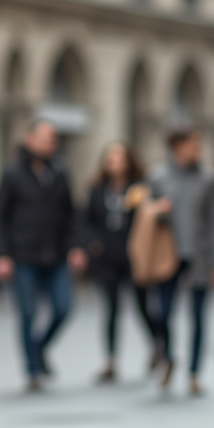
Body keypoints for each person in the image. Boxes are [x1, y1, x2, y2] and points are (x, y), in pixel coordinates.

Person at [0, 119, 86, 391]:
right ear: (30, 139)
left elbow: (72, 213)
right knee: (28, 313)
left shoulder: (60, 170)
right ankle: (32, 370)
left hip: (56, 255)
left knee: (63, 308)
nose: (50, 143)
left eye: (54, 139)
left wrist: (77, 246)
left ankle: (39, 349)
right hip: (23, 256)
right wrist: (2, 255)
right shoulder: (12, 172)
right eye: (45, 138)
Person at [148, 125, 214, 395]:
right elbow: (146, 219)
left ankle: (194, 373)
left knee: (198, 317)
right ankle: (167, 359)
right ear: (178, 146)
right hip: (167, 256)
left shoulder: (208, 179)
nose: (198, 150)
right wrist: (157, 211)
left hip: (200, 256)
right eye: (194, 144)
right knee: (160, 314)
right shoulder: (158, 177)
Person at [81, 142, 152, 383]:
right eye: (110, 159)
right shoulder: (98, 189)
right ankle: (110, 361)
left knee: (144, 307)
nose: (114, 163)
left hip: (134, 256)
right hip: (106, 257)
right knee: (111, 309)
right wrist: (92, 242)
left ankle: (157, 348)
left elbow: (148, 220)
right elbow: (86, 219)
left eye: (119, 158)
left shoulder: (139, 188)